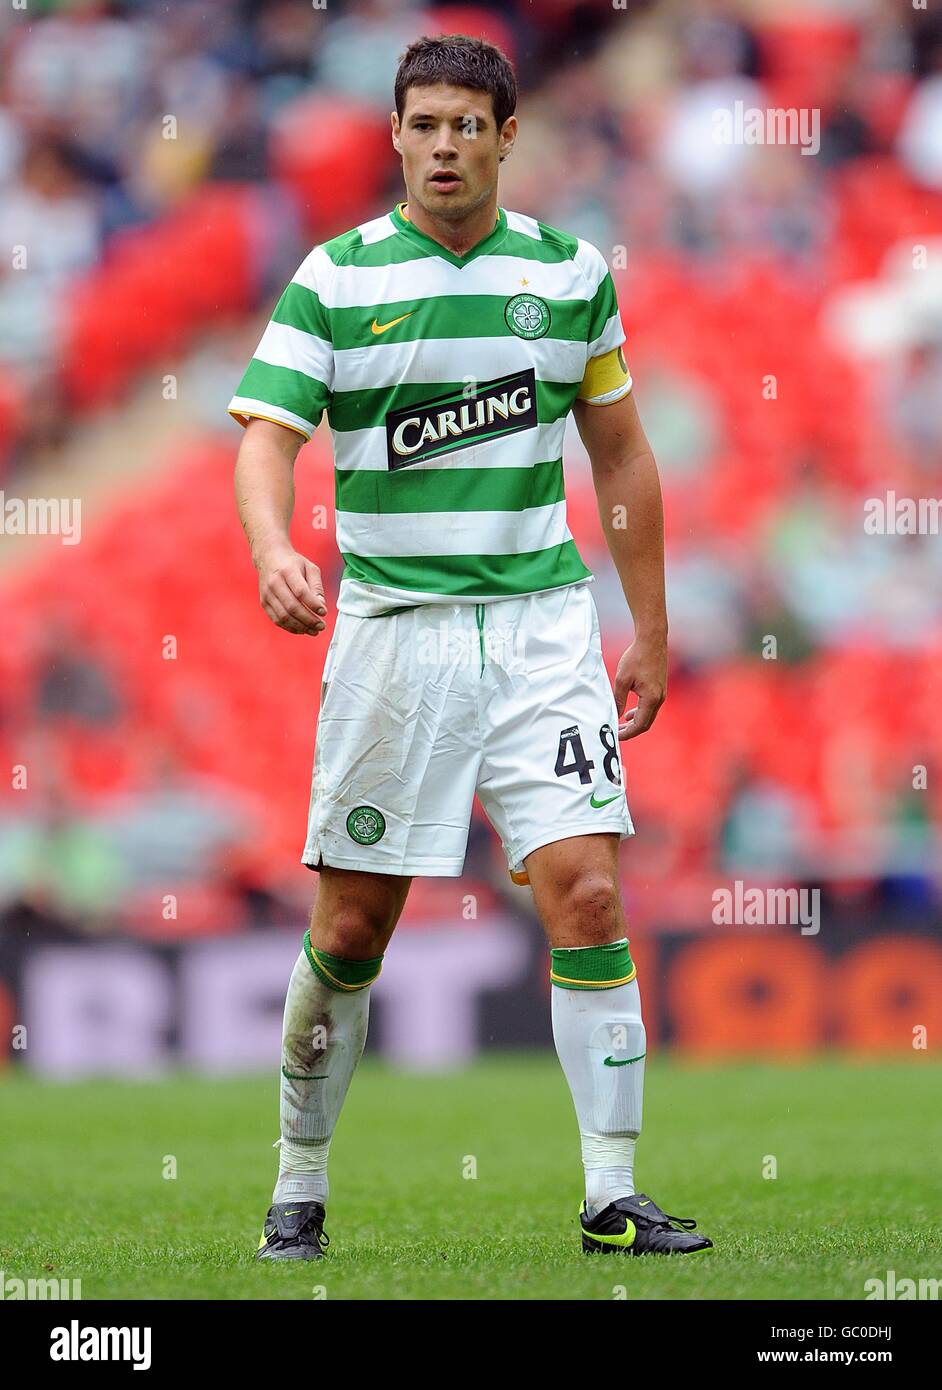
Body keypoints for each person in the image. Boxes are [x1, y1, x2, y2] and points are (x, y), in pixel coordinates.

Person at [230, 33, 712, 1261]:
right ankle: (298, 1179)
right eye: (423, 123)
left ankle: (612, 1191)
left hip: (545, 625)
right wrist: (273, 547)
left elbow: (621, 454)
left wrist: (648, 626)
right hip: (395, 633)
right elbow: (266, 437)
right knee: (350, 930)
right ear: (395, 134)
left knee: (590, 891)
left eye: (467, 125)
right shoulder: (334, 278)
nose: (444, 144)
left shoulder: (568, 274)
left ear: (507, 136)